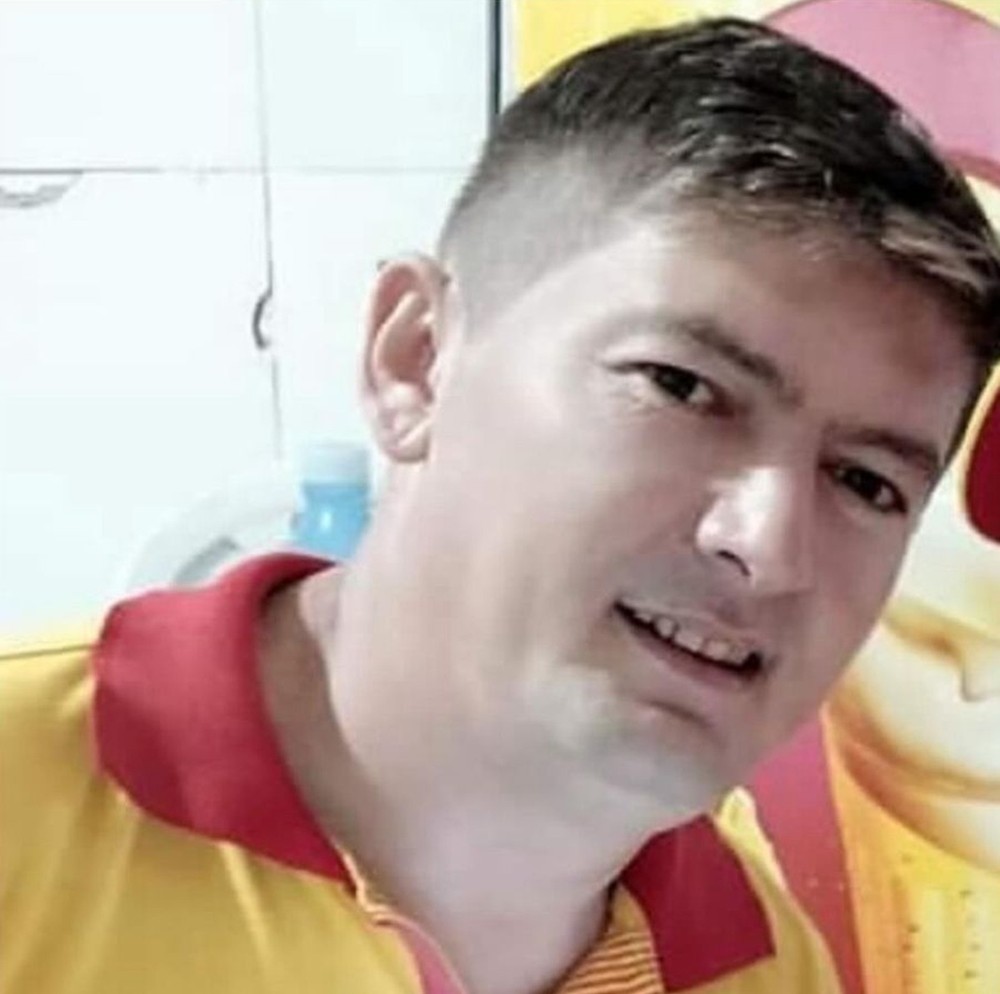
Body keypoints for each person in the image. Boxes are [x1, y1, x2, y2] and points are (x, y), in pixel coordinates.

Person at [3, 17, 999, 994]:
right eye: (681, 386)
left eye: (865, 482)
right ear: (416, 359)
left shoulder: (765, 968)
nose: (769, 544)